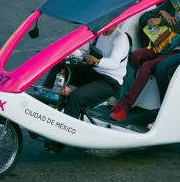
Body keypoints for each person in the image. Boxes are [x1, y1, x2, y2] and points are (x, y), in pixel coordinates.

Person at [110, 0, 180, 121]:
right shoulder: (172, 1)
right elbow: (146, 17)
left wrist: (162, 20)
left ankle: (125, 106)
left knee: (147, 66)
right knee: (134, 56)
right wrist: (161, 12)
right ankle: (121, 96)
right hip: (163, 44)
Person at [43, 25, 129, 153]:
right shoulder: (98, 33)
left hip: (109, 82)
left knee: (76, 97)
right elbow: (81, 52)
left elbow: (114, 62)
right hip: (93, 73)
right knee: (61, 66)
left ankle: (59, 143)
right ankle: (45, 101)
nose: (108, 26)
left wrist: (96, 62)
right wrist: (65, 50)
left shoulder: (120, 38)